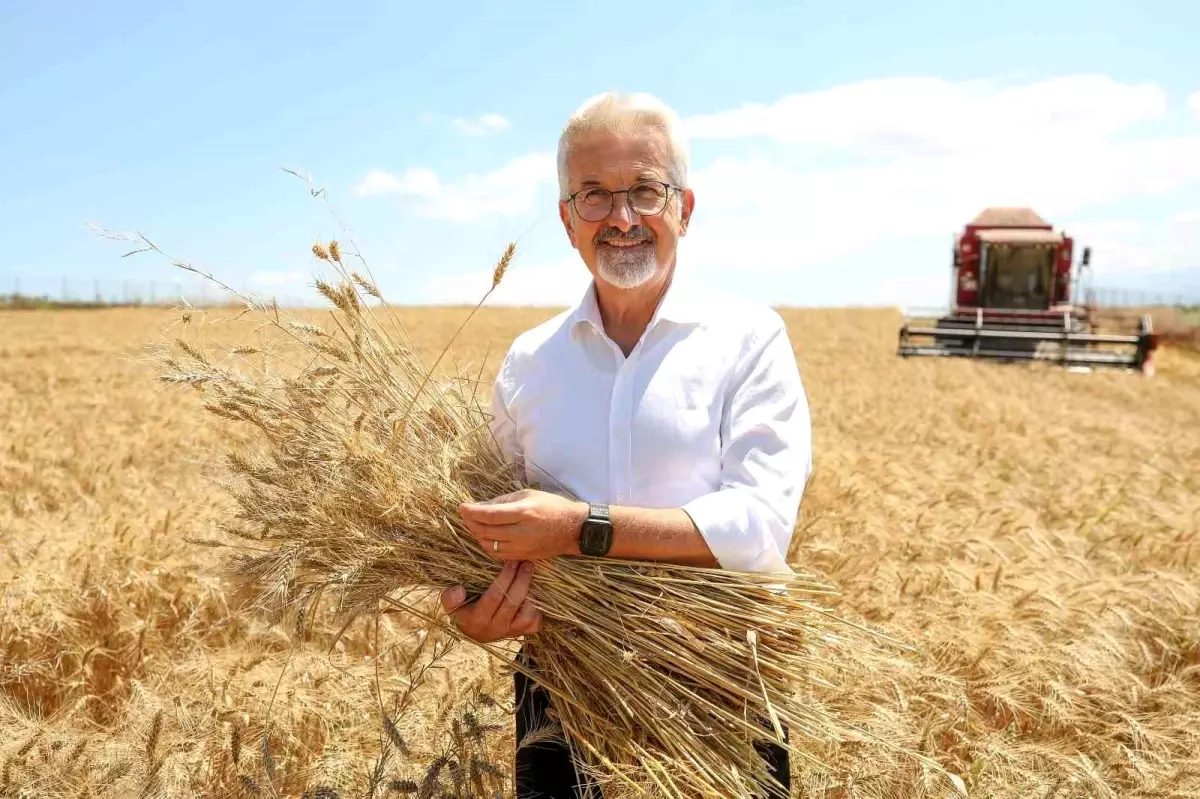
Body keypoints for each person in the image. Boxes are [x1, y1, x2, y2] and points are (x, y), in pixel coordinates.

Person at [439, 91, 812, 798]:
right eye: (594, 195)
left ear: (685, 208)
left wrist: (582, 529)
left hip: (719, 687)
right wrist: (473, 606)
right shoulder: (528, 361)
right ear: (566, 219)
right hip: (559, 691)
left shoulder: (749, 338)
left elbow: (760, 526)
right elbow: (483, 532)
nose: (621, 218)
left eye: (644, 190)